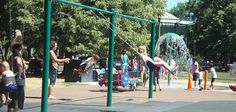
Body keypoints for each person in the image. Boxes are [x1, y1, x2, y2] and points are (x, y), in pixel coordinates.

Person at [8, 44, 28, 111]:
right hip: (19, 79)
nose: (22, 51)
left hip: (11, 78)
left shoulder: (11, 57)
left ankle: (10, 109)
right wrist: (22, 60)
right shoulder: (18, 58)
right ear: (16, 50)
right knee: (18, 95)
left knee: (12, 94)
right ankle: (16, 109)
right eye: (21, 49)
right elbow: (24, 66)